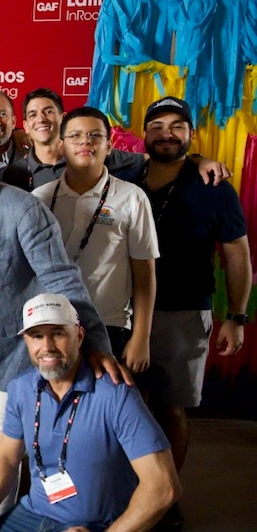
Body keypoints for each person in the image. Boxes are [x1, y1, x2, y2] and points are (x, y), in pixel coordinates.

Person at [0, 118, 116, 515]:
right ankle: (3, 516)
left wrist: (96, 343)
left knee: (2, 452)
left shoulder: (21, 207)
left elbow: (61, 278)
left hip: (9, 353)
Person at [135, 96, 252, 531]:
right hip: (125, 313)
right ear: (144, 134)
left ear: (191, 134)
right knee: (124, 408)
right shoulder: (126, 173)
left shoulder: (214, 186)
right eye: (158, 125)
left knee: (170, 409)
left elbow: (237, 255)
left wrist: (235, 317)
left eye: (177, 126)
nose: (167, 133)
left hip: (184, 314)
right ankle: (130, 491)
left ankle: (166, 497)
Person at [0, 293, 180, 532]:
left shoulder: (115, 394)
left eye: (58, 334)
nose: (47, 347)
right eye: (37, 336)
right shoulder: (21, 388)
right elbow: (7, 458)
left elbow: (164, 487)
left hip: (96, 524)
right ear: (26, 341)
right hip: (33, 513)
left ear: (79, 335)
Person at [31, 107, 159, 370]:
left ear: (109, 146)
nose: (85, 142)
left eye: (94, 136)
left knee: (105, 409)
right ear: (61, 145)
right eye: (75, 136)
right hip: (51, 325)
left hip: (110, 325)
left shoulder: (132, 198)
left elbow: (144, 274)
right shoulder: (39, 199)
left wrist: (141, 337)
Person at [1, 88, 232, 192]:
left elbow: (159, 157)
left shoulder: (96, 157)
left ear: (64, 118)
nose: (41, 118)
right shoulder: (14, 174)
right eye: (33, 114)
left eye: (48, 111)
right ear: (26, 125)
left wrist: (197, 160)